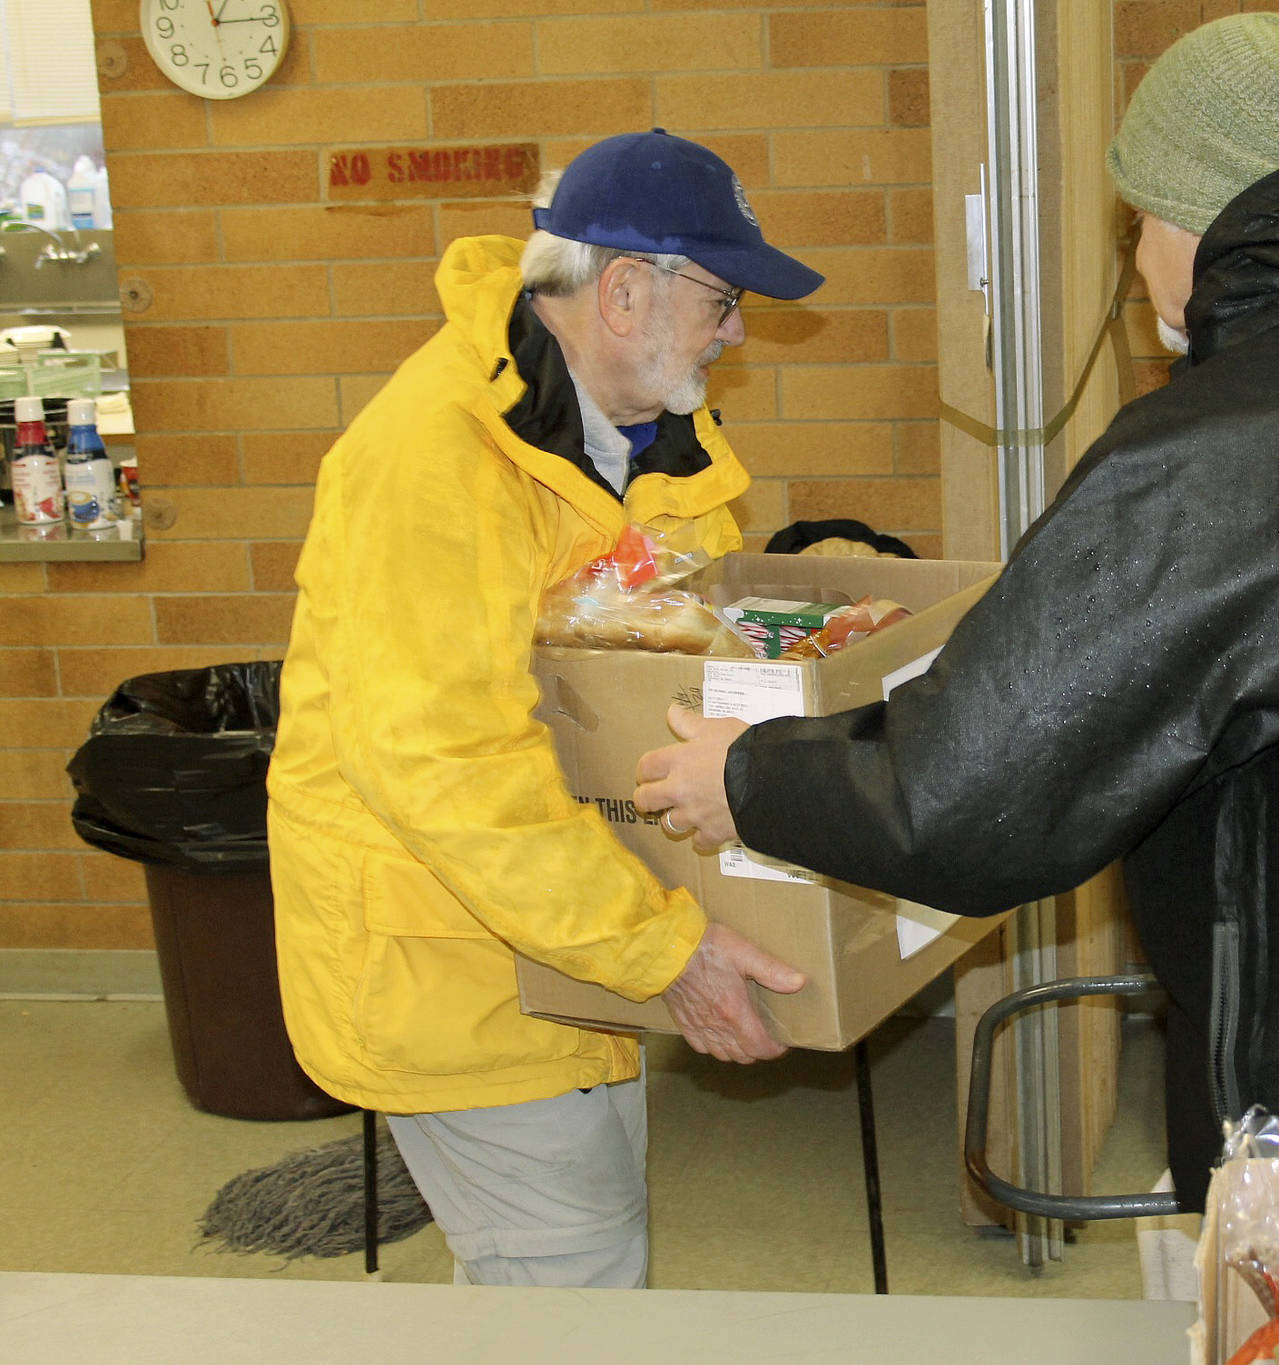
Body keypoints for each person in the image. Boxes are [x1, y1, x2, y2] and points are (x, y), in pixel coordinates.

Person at [632, 15, 1279, 1211]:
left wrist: (749, 779)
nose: (1133, 261)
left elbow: (974, 786)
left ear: (1202, 216)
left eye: (1137, 221)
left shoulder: (1238, 445)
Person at [268, 129, 821, 1287]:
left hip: (565, 939)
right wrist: (660, 949)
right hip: (451, 957)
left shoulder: (650, 442)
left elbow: (651, 673)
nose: (735, 332)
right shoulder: (432, 459)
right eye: (721, 299)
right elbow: (445, 763)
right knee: (567, 1275)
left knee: (577, 1253)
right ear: (623, 292)